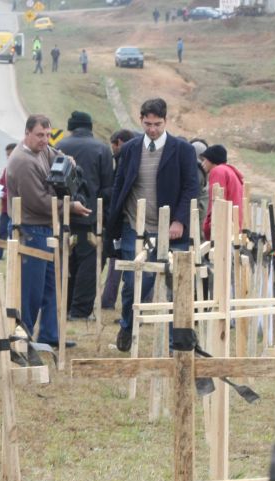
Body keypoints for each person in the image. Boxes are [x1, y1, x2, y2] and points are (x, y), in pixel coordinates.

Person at [107, 98, 198, 352]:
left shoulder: (182, 150)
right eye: (148, 124)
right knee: (135, 284)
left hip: (171, 229)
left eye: (157, 124)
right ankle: (127, 324)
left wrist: (179, 219)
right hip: (135, 228)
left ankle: (175, 343)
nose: (152, 129)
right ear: (141, 120)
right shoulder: (130, 149)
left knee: (175, 286)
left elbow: (191, 187)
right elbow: (120, 184)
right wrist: (114, 220)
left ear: (165, 121)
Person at [6, 114, 89, 347]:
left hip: (46, 228)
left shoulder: (42, 150)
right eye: (40, 135)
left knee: (52, 286)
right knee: (32, 289)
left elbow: (54, 154)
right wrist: (71, 207)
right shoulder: (23, 161)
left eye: (48, 135)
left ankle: (50, 335)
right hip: (32, 229)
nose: (45, 140)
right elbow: (39, 202)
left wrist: (67, 159)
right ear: (27, 133)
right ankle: (25, 336)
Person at [55, 111, 114, 320]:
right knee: (89, 263)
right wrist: (105, 216)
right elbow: (107, 187)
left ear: (71, 127)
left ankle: (64, 304)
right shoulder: (102, 148)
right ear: (90, 127)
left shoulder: (59, 146)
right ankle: (80, 310)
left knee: (65, 260)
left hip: (62, 214)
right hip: (91, 217)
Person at [100, 128, 135, 310]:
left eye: (114, 145)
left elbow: (117, 189)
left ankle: (108, 300)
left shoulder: (124, 158)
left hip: (122, 220)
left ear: (119, 142)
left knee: (117, 259)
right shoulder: (133, 156)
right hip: (129, 218)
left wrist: (104, 192)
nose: (113, 148)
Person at [200, 144, 244, 242]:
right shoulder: (229, 171)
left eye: (205, 160)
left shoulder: (218, 171)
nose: (202, 163)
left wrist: (208, 227)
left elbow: (217, 202)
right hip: (234, 227)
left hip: (223, 230)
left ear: (212, 160)